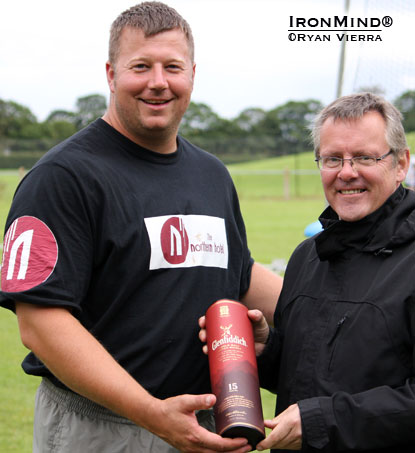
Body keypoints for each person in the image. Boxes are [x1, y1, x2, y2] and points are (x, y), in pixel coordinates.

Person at [0, 2, 282, 452]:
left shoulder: (212, 174)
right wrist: (152, 413)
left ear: (192, 74)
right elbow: (40, 322)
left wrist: (333, 311)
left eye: (172, 67)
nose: (158, 82)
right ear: (111, 75)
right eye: (140, 66)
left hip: (204, 423)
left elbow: (240, 274)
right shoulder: (62, 177)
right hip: (101, 428)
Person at [200, 92, 415, 452]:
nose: (347, 172)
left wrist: (324, 420)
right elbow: (311, 374)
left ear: (400, 164)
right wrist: (266, 351)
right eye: (333, 159)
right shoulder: (308, 257)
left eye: (364, 157)